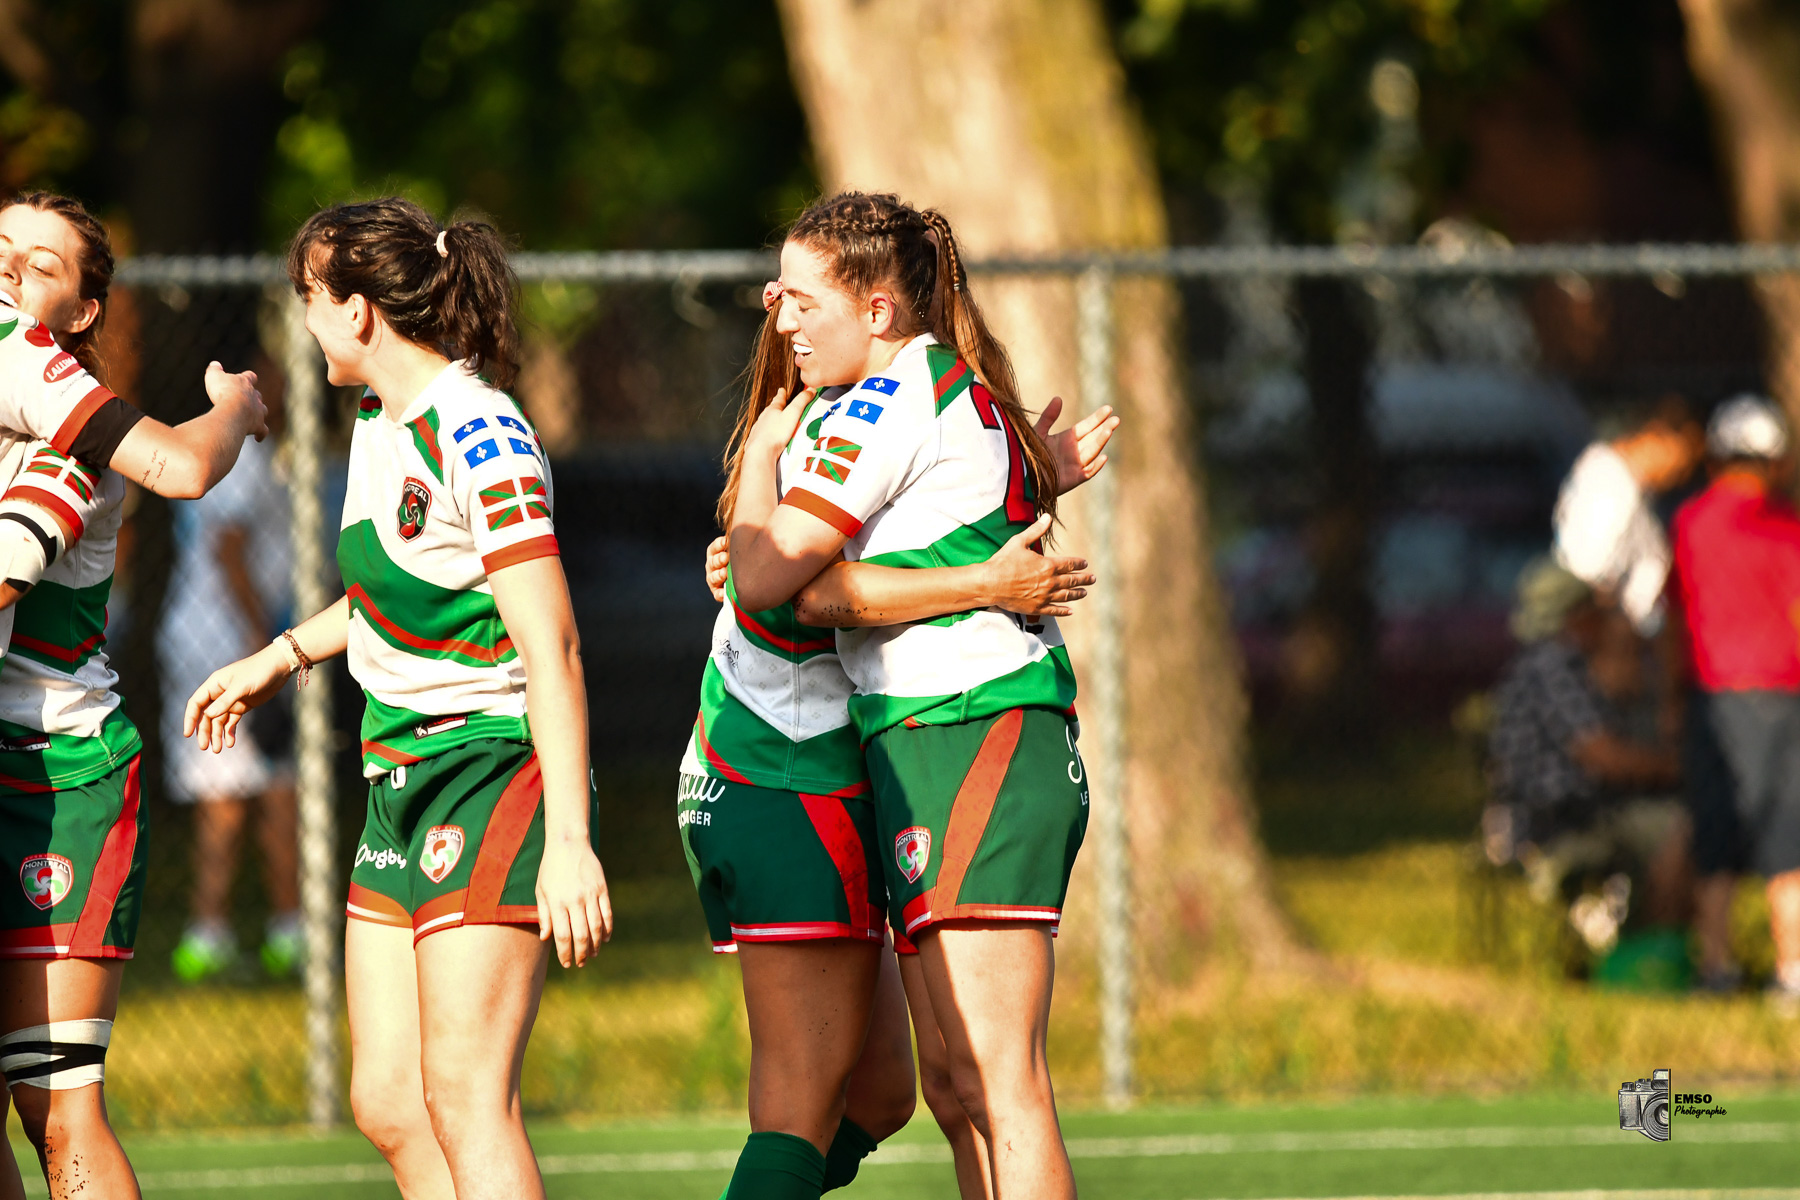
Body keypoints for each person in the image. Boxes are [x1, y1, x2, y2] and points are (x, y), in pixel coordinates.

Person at [184, 197, 609, 1200]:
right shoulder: (380, 421)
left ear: (362, 310)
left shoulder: (482, 433)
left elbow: (551, 643)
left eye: (309, 296)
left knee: (464, 1094)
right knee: (388, 1100)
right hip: (395, 771)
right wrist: (278, 656)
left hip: (488, 769)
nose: (303, 316)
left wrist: (572, 840)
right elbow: (392, 596)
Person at [687, 280, 1114, 1200]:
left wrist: (1023, 491)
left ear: (878, 309)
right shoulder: (857, 415)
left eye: (801, 296)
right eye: (779, 299)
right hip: (798, 764)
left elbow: (798, 577)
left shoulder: (901, 399)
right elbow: (783, 584)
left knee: (966, 1087)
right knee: (942, 1089)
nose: (781, 315)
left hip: (948, 736)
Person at [0, 191, 267, 1200]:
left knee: (57, 1102)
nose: (12, 272)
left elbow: (182, 466)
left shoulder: (63, 428)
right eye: (0, 250)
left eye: (42, 265)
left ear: (81, 311)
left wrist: (235, 406)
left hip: (56, 774)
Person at [1669, 395, 1800, 1010]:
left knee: (1716, 831)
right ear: (1773, 459)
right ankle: (1791, 970)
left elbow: (1676, 615)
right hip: (1783, 692)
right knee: (1787, 835)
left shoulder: (1690, 523)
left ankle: (1716, 967)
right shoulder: (1784, 529)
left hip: (1713, 695)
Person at [1488, 559, 1689, 945]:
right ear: (1577, 617)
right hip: (1559, 819)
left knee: (1671, 826)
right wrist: (1675, 768)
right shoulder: (1553, 666)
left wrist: (1624, 657)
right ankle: (1654, 947)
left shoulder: (1562, 664)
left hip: (1571, 810)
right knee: (1679, 833)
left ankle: (1649, 939)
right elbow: (1604, 756)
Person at [160, 431, 300, 982]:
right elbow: (229, 549)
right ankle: (234, 933)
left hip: (220, 635)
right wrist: (268, 646)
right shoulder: (238, 450)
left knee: (260, 782)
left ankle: (249, 931)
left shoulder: (205, 444)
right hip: (228, 639)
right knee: (245, 788)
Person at [1552, 396, 1704, 635]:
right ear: (1656, 435)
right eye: (1681, 459)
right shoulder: (1607, 478)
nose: (1681, 474)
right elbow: (1588, 564)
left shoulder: (1635, 486)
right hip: (1609, 634)